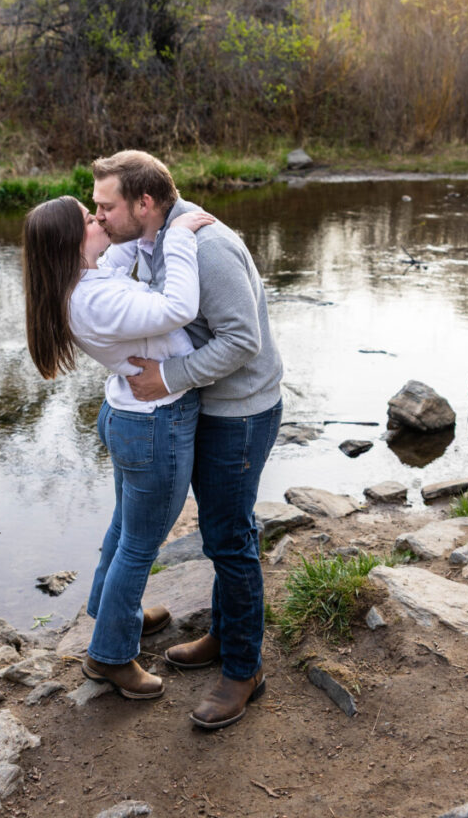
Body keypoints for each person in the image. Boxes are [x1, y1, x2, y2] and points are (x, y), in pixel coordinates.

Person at [92, 150, 283, 730]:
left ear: (143, 203)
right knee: (222, 531)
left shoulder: (207, 246)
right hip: (207, 406)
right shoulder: (153, 240)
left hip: (241, 412)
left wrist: (166, 378)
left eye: (106, 207)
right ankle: (225, 639)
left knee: (229, 539)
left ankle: (244, 669)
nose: (98, 218)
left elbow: (242, 340)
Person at [22, 195, 214, 700]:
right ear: (71, 242)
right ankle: (108, 656)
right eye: (89, 219)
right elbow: (179, 307)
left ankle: (114, 612)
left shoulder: (84, 278)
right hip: (154, 425)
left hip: (130, 418)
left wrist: (143, 232)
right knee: (139, 543)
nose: (99, 218)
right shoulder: (94, 299)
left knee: (124, 528)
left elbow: (118, 258)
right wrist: (178, 238)